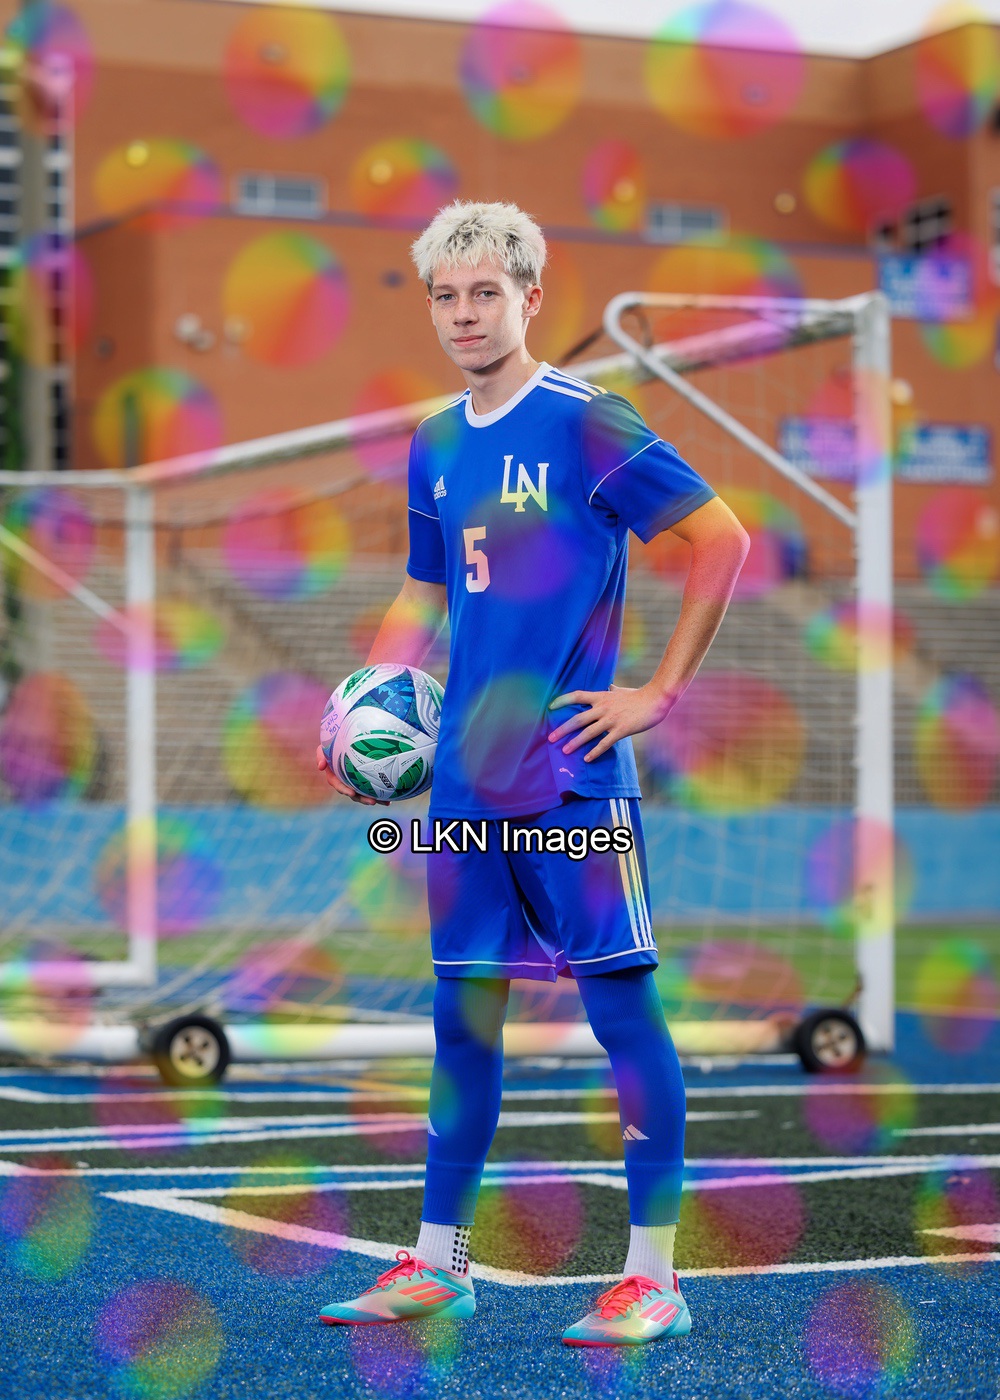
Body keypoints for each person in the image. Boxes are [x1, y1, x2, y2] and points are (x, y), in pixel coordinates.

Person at [316, 201, 749, 1346]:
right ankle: (436, 1262)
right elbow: (423, 588)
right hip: (463, 781)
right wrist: (358, 702)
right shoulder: (435, 441)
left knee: (621, 1013)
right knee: (462, 1022)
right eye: (445, 296)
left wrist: (658, 692)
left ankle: (653, 1277)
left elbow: (721, 538)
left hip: (569, 775)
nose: (463, 314)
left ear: (529, 297)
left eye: (484, 293)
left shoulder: (586, 420)